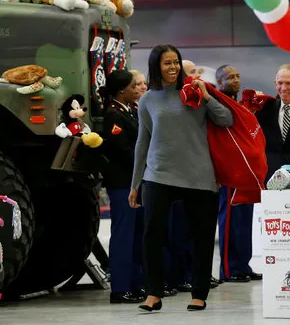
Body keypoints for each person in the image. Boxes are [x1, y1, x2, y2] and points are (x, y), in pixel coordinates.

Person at [130, 44, 233, 312]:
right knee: (151, 235)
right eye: (167, 63)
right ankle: (153, 293)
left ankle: (199, 292)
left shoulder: (197, 92)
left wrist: (208, 97)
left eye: (176, 62)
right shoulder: (148, 100)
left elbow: (226, 120)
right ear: (156, 67)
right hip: (157, 173)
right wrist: (135, 183)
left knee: (201, 236)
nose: (173, 67)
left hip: (198, 174)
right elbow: (143, 142)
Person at [215, 64, 262, 283]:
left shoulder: (243, 104)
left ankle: (243, 264)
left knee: (245, 220)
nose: (235, 80)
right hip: (229, 172)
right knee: (229, 221)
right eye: (229, 77)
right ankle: (228, 269)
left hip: (246, 171)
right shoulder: (216, 102)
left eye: (237, 76)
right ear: (219, 83)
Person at [102, 69, 145, 303]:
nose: (136, 89)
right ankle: (119, 288)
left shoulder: (132, 111)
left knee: (138, 234)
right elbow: (122, 150)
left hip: (136, 182)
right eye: (132, 86)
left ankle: (136, 283)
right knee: (123, 234)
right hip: (123, 183)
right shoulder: (113, 115)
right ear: (122, 90)